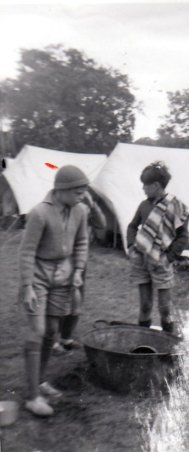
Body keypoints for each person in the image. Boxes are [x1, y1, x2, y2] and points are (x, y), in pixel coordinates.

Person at [19, 165, 90, 416]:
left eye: (84, 191)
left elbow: (82, 241)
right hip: (38, 277)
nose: (82, 196)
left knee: (51, 331)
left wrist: (78, 270)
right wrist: (27, 286)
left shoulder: (80, 211)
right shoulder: (39, 213)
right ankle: (31, 397)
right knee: (37, 331)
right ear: (61, 190)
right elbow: (27, 251)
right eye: (78, 191)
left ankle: (39, 381)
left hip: (64, 276)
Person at [127, 161, 189, 333]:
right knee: (145, 305)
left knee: (165, 308)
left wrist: (168, 258)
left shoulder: (176, 206)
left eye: (145, 185)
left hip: (162, 262)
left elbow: (183, 236)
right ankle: (143, 340)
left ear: (155, 186)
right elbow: (132, 226)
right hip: (142, 260)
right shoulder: (143, 206)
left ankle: (168, 344)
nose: (143, 189)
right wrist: (131, 246)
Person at [53, 189, 107, 354]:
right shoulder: (60, 207)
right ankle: (54, 343)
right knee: (59, 301)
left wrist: (93, 204)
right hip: (62, 261)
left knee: (76, 301)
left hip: (80, 261)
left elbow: (102, 225)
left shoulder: (85, 207)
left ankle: (66, 339)